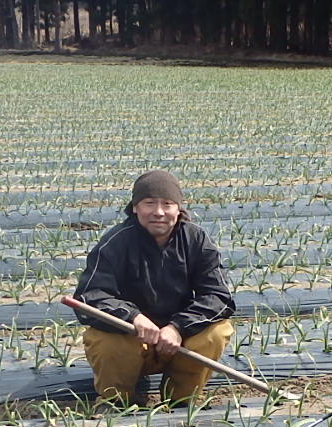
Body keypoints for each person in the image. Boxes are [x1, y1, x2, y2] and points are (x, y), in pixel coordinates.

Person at [74, 169, 236, 405]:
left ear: (178, 209)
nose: (158, 212)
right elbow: (89, 296)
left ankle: (182, 400)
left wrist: (178, 327)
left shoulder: (196, 240)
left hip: (179, 344)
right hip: (132, 340)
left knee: (217, 331)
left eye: (167, 204)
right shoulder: (116, 242)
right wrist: (133, 317)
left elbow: (218, 296)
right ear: (135, 207)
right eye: (149, 203)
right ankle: (116, 402)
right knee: (103, 339)